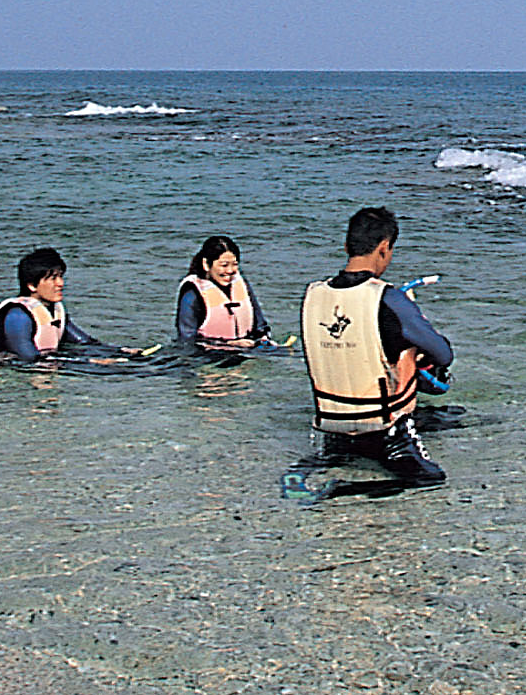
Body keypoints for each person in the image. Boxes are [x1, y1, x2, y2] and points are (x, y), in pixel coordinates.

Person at [298, 206, 451, 486]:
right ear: (383, 248)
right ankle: (361, 486)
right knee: (433, 480)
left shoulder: (314, 295)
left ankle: (340, 460)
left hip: (333, 426)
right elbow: (443, 354)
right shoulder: (388, 299)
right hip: (383, 426)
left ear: (346, 246)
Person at [0, 246, 112, 361]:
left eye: (61, 277)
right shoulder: (18, 316)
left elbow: (85, 343)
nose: (60, 283)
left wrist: (124, 353)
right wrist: (87, 362)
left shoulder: (53, 311)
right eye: (53, 278)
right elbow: (28, 358)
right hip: (19, 375)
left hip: (48, 363)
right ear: (32, 286)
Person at [176, 234, 266, 349]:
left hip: (246, 349)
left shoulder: (240, 283)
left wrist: (263, 341)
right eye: (224, 265)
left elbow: (260, 326)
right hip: (207, 354)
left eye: (234, 265)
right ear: (206, 264)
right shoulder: (192, 293)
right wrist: (227, 344)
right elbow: (187, 341)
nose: (230, 271)